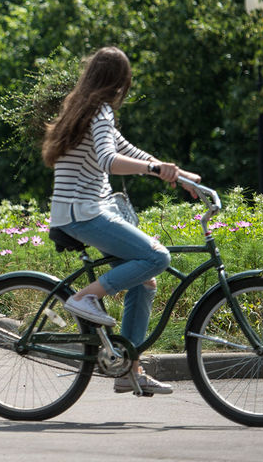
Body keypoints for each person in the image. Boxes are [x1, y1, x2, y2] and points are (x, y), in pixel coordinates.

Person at [42, 46, 201, 395]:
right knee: (157, 258)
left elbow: (127, 150)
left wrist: (178, 174)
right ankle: (84, 298)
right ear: (119, 83)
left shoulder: (83, 109)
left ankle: (128, 370)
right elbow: (109, 161)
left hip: (82, 210)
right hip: (83, 213)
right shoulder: (97, 111)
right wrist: (156, 169)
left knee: (146, 281)